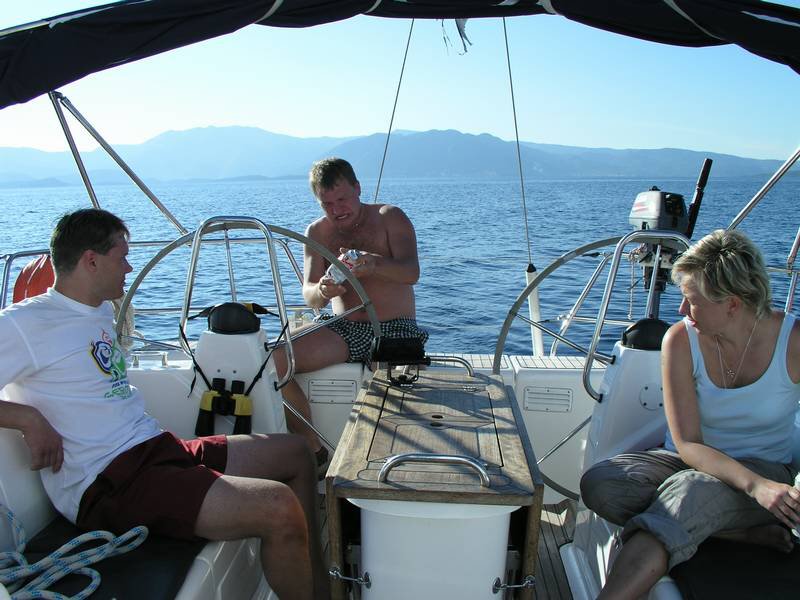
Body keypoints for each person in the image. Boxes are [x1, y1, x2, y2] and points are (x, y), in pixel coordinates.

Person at [0, 209, 329, 600]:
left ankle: (322, 589)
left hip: (153, 450)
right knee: (278, 507)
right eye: (122, 256)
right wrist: (27, 418)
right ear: (91, 260)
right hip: (107, 483)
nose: (129, 267)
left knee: (296, 453)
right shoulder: (26, 323)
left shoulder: (98, 310)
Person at [580, 229, 800, 600]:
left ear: (732, 304)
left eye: (692, 301)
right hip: (689, 460)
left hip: (765, 470)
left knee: (689, 493)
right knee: (602, 484)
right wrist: (753, 489)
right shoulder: (681, 340)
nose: (682, 311)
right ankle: (740, 532)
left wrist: (765, 486)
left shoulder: (793, 341)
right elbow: (687, 444)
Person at [273, 157, 427, 468]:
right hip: (341, 328)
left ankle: (386, 466)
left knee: (392, 390)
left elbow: (411, 272)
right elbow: (310, 296)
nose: (336, 209)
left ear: (357, 188)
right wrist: (323, 290)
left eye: (342, 199)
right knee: (273, 359)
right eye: (327, 203)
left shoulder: (390, 217)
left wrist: (375, 264)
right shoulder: (316, 232)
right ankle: (314, 450)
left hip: (394, 327)